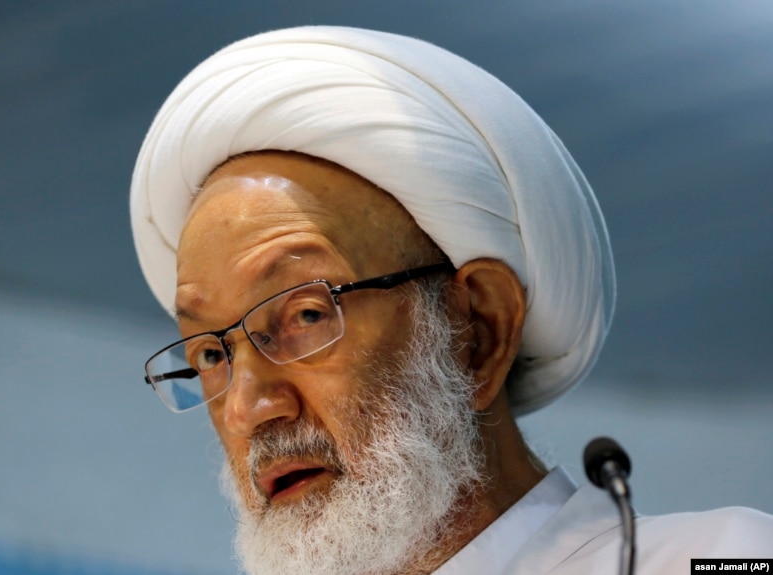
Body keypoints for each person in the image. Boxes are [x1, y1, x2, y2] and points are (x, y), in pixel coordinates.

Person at [129, 26, 773, 575]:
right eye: (211, 352)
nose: (247, 408)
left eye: (304, 314)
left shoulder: (717, 555)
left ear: (478, 332)